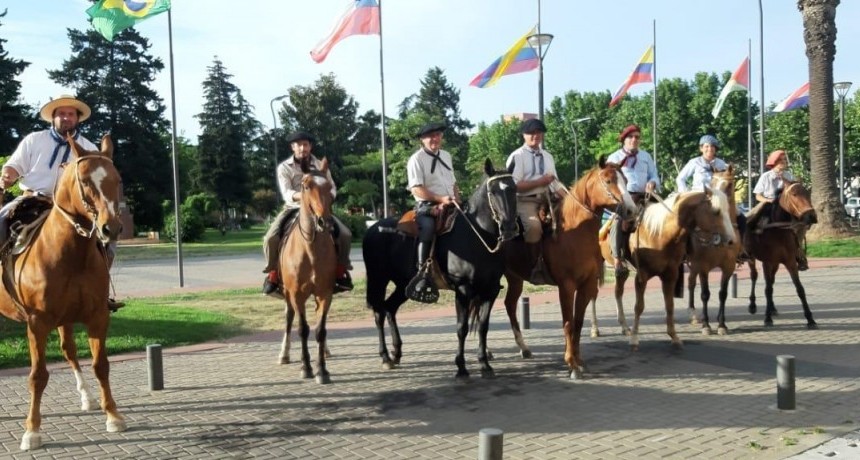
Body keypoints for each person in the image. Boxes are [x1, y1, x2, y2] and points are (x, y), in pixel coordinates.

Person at [1, 94, 123, 311]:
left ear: (77, 119)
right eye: (61, 114)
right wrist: (7, 174)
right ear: (53, 118)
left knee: (108, 241)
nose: (66, 118)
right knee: (1, 222)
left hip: (74, 209)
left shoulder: (87, 146)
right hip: (33, 200)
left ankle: (100, 293)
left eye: (71, 114)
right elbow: (14, 165)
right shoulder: (34, 140)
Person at [261, 131, 353, 296]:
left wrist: (328, 198)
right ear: (292, 147)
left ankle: (340, 271)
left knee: (345, 234)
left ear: (310, 146)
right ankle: (273, 273)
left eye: (305, 144)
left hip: (319, 208)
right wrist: (305, 197)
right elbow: (286, 192)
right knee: (270, 238)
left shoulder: (320, 165)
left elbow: (331, 186)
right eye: (299, 145)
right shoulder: (284, 167)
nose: (302, 148)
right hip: (293, 208)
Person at [405, 122, 460, 300]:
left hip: (451, 204)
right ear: (422, 140)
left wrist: (456, 199)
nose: (435, 139)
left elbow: (453, 183)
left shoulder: (446, 155)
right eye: (430, 136)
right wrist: (440, 199)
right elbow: (417, 189)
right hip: (427, 206)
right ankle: (423, 273)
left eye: (437, 135)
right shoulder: (416, 159)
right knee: (428, 228)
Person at [505, 118, 563, 278]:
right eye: (531, 133)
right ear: (524, 135)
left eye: (538, 132)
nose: (535, 135)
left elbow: (556, 184)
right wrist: (540, 182)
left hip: (548, 199)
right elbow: (513, 185)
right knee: (533, 226)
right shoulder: (517, 156)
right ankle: (534, 265)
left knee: (572, 219)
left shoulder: (548, 156)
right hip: (525, 200)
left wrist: (571, 199)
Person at [606, 124, 660, 276]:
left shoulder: (646, 156)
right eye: (630, 137)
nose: (634, 140)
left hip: (645, 196)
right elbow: (609, 181)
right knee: (618, 220)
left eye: (637, 137)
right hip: (625, 197)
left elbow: (654, 174)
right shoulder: (615, 158)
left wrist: (653, 182)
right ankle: (617, 259)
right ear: (624, 139)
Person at [746, 149, 808, 270]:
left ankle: (799, 253)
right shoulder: (766, 176)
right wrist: (768, 201)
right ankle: (747, 248)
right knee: (749, 219)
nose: (784, 162)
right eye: (781, 160)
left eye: (784, 160)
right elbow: (758, 195)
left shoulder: (789, 175)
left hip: (786, 206)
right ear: (774, 162)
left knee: (802, 223)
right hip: (769, 203)